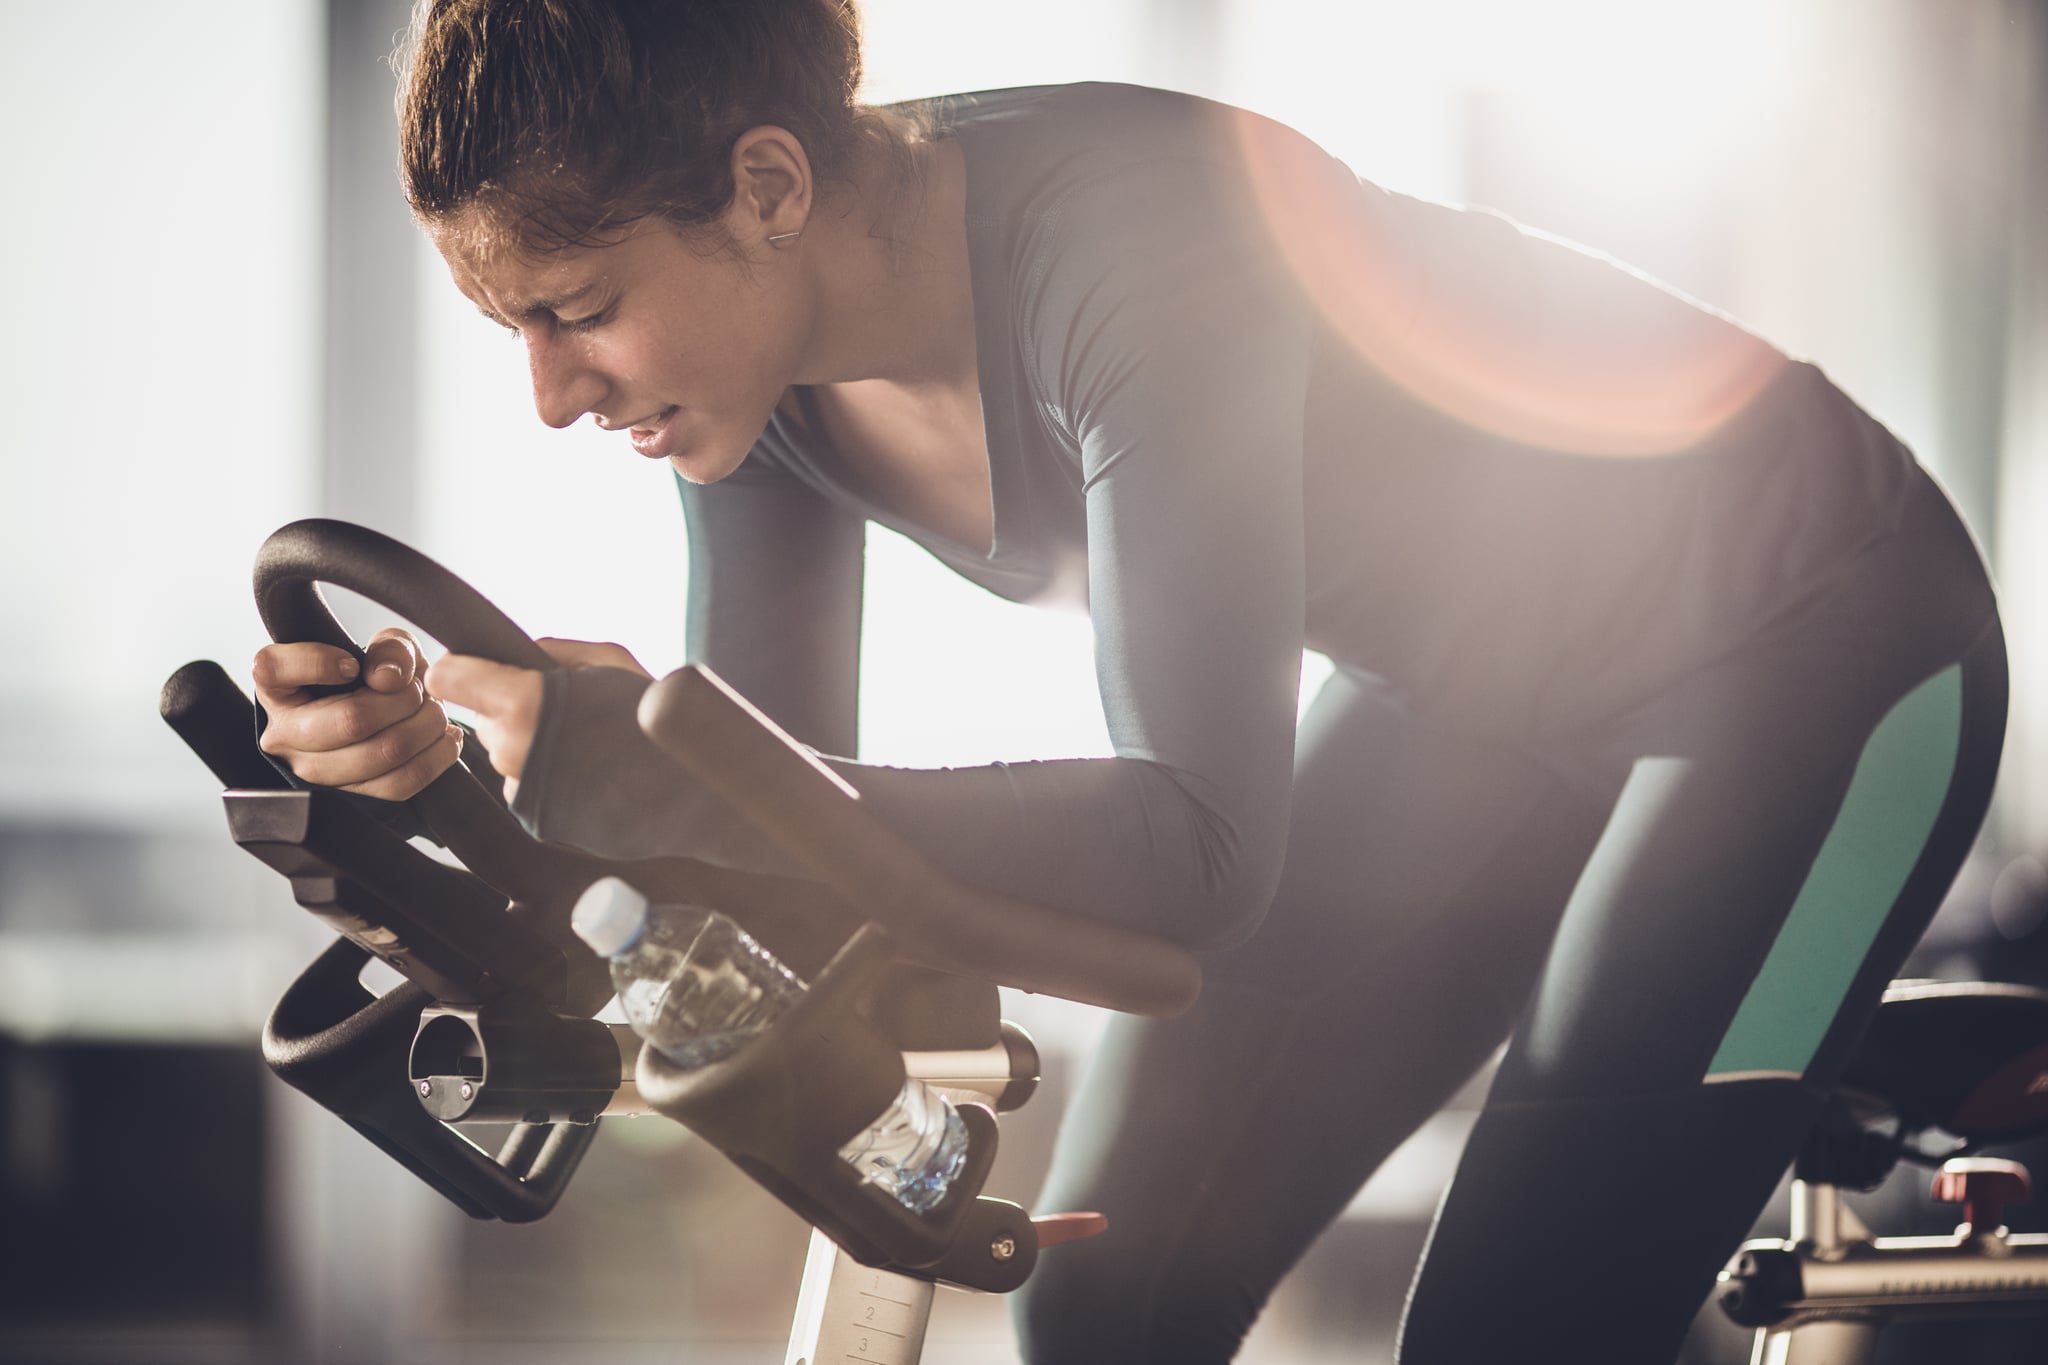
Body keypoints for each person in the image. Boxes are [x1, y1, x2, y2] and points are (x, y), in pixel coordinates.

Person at [249, 1, 2008, 1360]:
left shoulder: (1143, 254)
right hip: (1469, 702)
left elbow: (1201, 850)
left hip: (1816, 649)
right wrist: (465, 785)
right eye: (518, 335)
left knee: (1515, 1339)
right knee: (1104, 1298)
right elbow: (769, 848)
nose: (553, 398)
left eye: (577, 309)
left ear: (766, 190)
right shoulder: (751, 408)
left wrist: (649, 769)